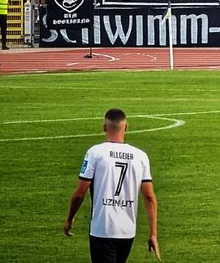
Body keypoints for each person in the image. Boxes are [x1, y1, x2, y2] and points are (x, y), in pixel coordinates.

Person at [64, 107, 161, 262]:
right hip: (127, 231)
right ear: (127, 127)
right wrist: (153, 234)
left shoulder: (95, 152)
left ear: (104, 127)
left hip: (103, 229)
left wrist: (69, 218)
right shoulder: (141, 156)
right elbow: (149, 196)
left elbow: (79, 194)